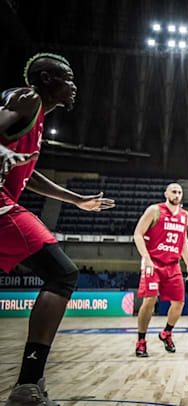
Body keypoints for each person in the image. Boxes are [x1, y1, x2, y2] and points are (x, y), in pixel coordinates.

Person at [1, 53, 115, 406]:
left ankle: (29, 384)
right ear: (47, 79)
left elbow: (28, 174)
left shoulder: (32, 120)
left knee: (60, 273)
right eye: (68, 78)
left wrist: (77, 200)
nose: (74, 86)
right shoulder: (28, 98)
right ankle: (27, 384)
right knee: (62, 273)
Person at [133, 183, 188, 357]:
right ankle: (141, 341)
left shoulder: (184, 215)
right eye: (174, 191)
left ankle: (166, 332)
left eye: (180, 192)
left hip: (173, 264)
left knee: (179, 302)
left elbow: (183, 241)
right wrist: (146, 257)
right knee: (150, 300)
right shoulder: (154, 210)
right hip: (153, 263)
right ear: (166, 193)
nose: (177, 195)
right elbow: (138, 234)